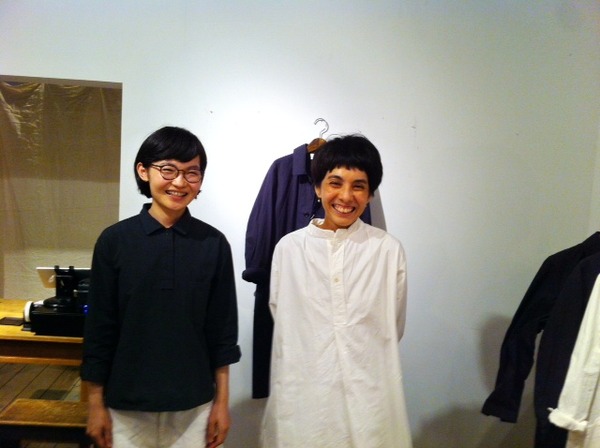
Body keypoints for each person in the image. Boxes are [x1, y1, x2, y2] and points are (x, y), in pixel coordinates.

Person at [80, 126, 241, 448]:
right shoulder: (114, 241)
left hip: (195, 405)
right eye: (168, 169)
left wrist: (221, 403)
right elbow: (99, 330)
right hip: (125, 405)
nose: (180, 182)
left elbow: (222, 333)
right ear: (143, 171)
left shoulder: (213, 244)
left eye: (191, 173)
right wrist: (95, 405)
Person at [260, 134, 413, 447]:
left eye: (358, 186)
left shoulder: (387, 250)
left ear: (370, 194)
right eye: (335, 183)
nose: (346, 196)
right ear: (318, 188)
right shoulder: (289, 249)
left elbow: (392, 326)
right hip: (304, 399)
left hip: (370, 397)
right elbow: (283, 319)